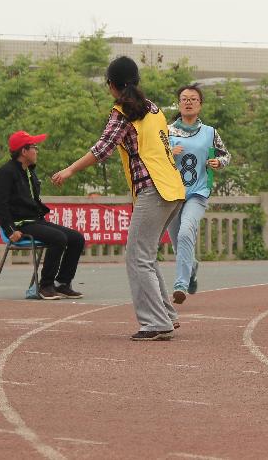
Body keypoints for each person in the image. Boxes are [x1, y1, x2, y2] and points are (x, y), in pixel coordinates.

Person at [51, 57, 186, 341]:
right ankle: (166, 316)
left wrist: (70, 169)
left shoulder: (123, 112)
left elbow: (102, 149)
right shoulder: (154, 109)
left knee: (137, 257)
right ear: (136, 81)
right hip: (173, 188)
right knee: (146, 256)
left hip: (154, 189)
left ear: (111, 85)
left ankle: (156, 323)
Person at [0, 130, 85, 300]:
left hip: (36, 221)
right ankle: (45, 286)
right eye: (34, 147)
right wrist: (10, 230)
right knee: (58, 238)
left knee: (77, 238)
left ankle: (62, 283)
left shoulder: (29, 172)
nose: (37, 151)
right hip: (21, 225)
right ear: (24, 151)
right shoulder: (5, 173)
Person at [165, 84, 231, 305]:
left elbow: (226, 155)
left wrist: (218, 162)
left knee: (186, 233)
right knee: (178, 243)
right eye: (184, 99)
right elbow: (153, 158)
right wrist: (168, 153)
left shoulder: (210, 132)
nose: (188, 102)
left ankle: (180, 285)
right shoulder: (167, 131)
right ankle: (191, 267)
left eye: (193, 99)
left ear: (200, 105)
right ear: (178, 104)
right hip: (172, 194)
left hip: (198, 192)